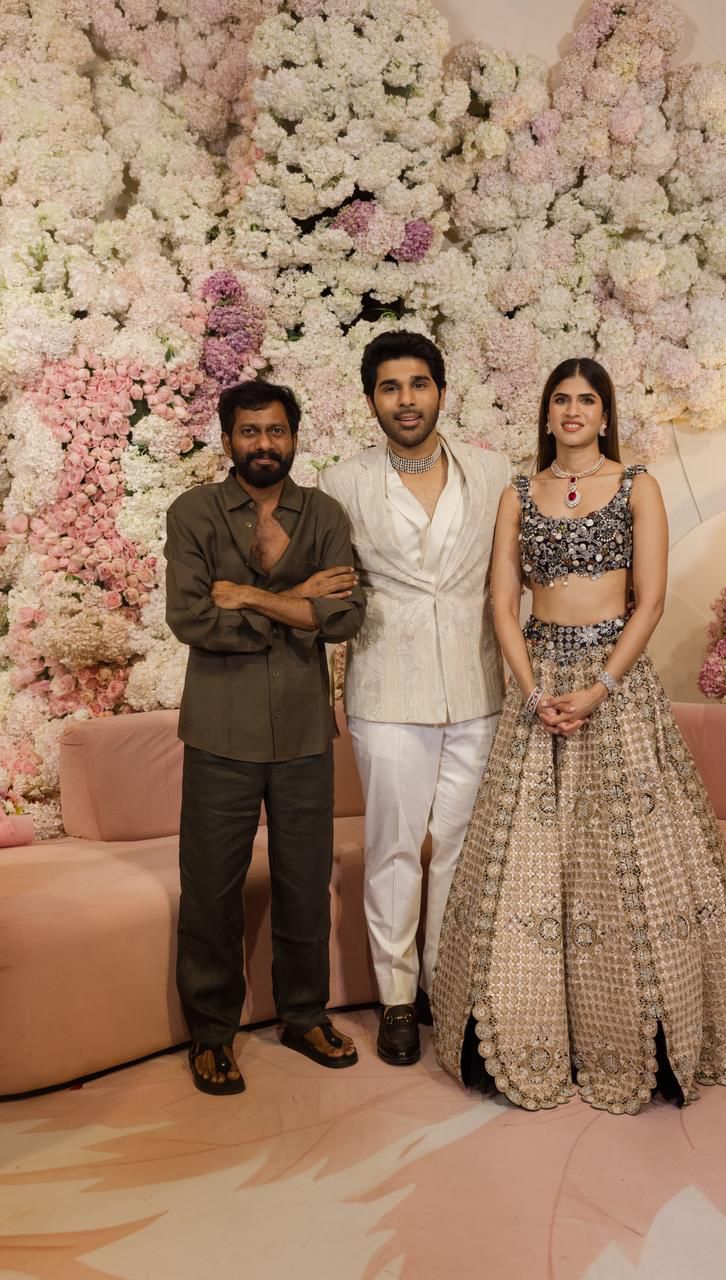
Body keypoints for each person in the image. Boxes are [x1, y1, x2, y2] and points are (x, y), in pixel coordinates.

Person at [431, 357, 726, 1115]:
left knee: (629, 859)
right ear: (547, 413)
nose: (574, 411)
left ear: (605, 413)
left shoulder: (638, 486)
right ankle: (528, 1031)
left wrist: (600, 687)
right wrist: (532, 692)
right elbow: (502, 602)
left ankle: (642, 1035)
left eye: (587, 399)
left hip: (615, 689)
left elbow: (649, 602)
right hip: (541, 684)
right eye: (561, 399)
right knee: (529, 863)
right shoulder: (518, 494)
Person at [165, 379, 366, 1095]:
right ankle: (211, 1034)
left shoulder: (325, 515)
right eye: (249, 432)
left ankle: (304, 1016)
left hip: (305, 732)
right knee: (211, 888)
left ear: (294, 437)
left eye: (276, 431)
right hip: (220, 733)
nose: (263, 444)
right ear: (227, 440)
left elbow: (343, 618)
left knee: (304, 884)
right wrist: (297, 602)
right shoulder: (193, 513)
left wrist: (250, 596)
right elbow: (192, 618)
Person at [318, 330, 511, 1066]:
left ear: (441, 391)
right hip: (387, 688)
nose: (407, 400)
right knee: (394, 847)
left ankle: (445, 986)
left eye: (419, 384)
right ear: (371, 399)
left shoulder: (493, 472)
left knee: (461, 848)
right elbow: (331, 583)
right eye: (391, 387)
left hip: (477, 686)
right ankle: (397, 997)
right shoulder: (344, 482)